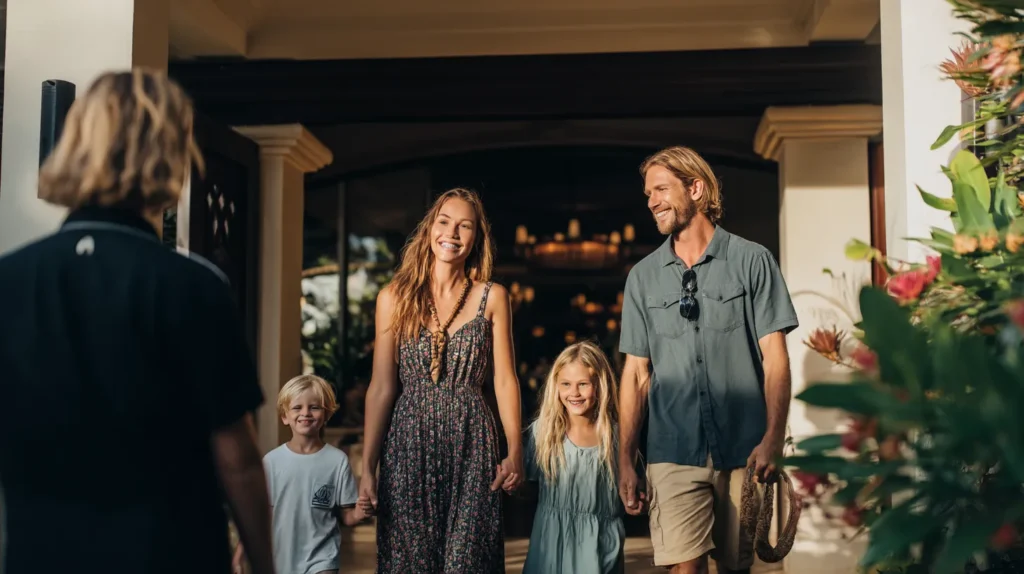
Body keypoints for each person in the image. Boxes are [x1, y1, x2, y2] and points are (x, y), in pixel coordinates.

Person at [0, 69, 274, 574]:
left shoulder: (10, 281)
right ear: (170, 152)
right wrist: (264, 564)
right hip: (171, 553)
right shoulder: (194, 287)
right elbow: (236, 458)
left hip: (42, 556)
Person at [617, 146, 799, 574]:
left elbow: (775, 358)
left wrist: (774, 437)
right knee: (686, 568)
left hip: (745, 449)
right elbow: (636, 375)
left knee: (737, 567)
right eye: (648, 194)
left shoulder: (753, 261)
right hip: (672, 449)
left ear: (695, 188)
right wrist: (625, 458)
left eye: (661, 189)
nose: (652, 202)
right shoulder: (642, 277)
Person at [358, 188, 524, 573]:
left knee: (469, 561)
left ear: (476, 238)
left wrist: (514, 448)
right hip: (407, 444)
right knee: (409, 562)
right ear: (430, 229)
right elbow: (382, 387)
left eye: (465, 226)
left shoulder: (493, 297)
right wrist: (368, 467)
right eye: (444, 222)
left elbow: (504, 379)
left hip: (473, 442)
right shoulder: (393, 298)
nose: (452, 233)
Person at [233, 375, 365, 574]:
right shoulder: (271, 462)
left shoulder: (338, 461)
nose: (306, 413)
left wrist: (360, 512)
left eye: (315, 407)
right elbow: (259, 514)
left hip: (323, 559)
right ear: (285, 417)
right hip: (281, 560)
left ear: (327, 414)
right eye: (297, 407)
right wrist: (239, 556)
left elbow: (347, 516)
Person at [522, 341, 624, 574]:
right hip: (550, 543)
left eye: (583, 384)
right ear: (555, 387)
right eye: (566, 384)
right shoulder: (544, 432)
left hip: (600, 545)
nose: (574, 393)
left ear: (600, 385)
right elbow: (527, 487)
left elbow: (630, 486)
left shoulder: (615, 436)